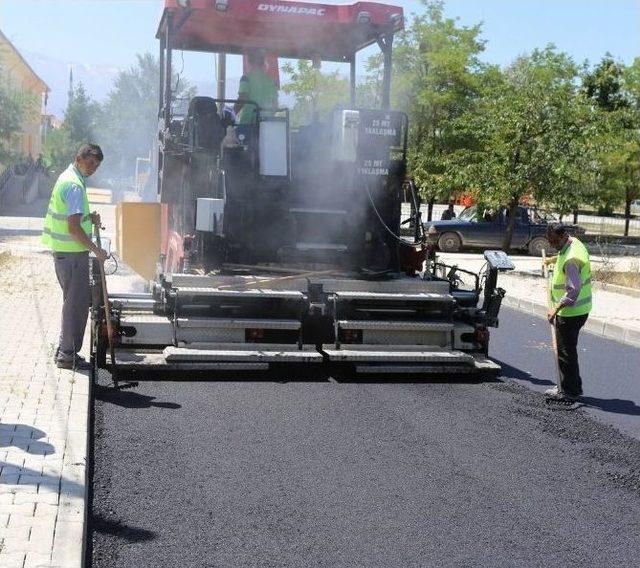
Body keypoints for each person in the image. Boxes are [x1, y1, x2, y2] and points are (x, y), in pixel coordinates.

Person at [42, 144, 109, 370]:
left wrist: (89, 216)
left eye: (96, 166)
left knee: (72, 303)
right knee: (77, 305)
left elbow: (74, 218)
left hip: (66, 255)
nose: (92, 169)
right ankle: (67, 355)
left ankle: (65, 350)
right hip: (71, 256)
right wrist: (96, 250)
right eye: (90, 163)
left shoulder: (70, 177)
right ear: (78, 157)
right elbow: (73, 228)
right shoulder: (74, 186)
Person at [542, 223, 592, 409]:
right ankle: (569, 386)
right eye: (550, 241)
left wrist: (554, 310)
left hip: (570, 312)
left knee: (565, 352)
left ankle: (569, 392)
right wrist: (552, 260)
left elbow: (573, 291)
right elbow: (563, 255)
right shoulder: (573, 244)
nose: (552, 244)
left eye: (555, 241)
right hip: (579, 310)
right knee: (568, 350)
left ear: (563, 236)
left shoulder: (572, 258)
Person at [234, 50, 278, 127]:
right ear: (263, 62)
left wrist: (232, 113)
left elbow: (242, 98)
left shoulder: (246, 79)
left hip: (248, 122)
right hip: (268, 124)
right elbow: (275, 105)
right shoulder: (272, 82)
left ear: (249, 61)